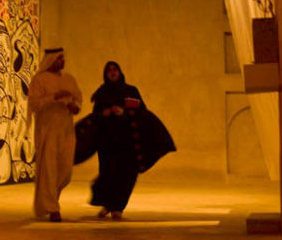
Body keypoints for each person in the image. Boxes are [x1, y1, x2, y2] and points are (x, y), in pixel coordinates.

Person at [89, 60, 175, 220]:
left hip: (127, 141)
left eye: (115, 69)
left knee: (126, 174)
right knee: (107, 173)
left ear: (120, 72)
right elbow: (95, 116)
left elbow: (142, 112)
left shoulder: (131, 91)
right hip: (107, 142)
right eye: (109, 70)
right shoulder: (101, 93)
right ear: (105, 74)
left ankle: (118, 207)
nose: (112, 72)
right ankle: (108, 204)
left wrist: (124, 113)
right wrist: (105, 113)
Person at [28, 47, 82, 221]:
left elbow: (77, 101)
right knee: (49, 170)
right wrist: (54, 97)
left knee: (64, 171)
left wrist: (74, 106)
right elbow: (35, 104)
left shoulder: (69, 79)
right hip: (48, 130)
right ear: (51, 60)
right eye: (59, 58)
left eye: (63, 58)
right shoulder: (39, 80)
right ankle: (52, 209)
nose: (63, 61)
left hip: (66, 130)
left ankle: (51, 201)